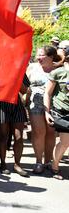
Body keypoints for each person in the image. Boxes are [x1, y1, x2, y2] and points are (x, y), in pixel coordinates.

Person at [26, 46, 59, 174]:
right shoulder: (32, 67)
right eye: (38, 55)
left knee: (51, 133)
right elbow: (26, 85)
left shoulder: (58, 68)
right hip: (36, 103)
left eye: (42, 55)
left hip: (53, 104)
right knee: (38, 133)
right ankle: (39, 162)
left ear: (51, 57)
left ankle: (48, 161)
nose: (38, 58)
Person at [0, 75, 31, 176]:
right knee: (3, 136)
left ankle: (17, 165)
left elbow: (24, 90)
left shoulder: (20, 68)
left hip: (16, 103)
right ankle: (3, 164)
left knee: (19, 137)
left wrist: (16, 78)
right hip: (0, 102)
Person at [44, 46, 69, 180]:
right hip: (63, 112)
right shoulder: (58, 73)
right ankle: (55, 167)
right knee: (65, 142)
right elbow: (47, 93)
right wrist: (47, 112)